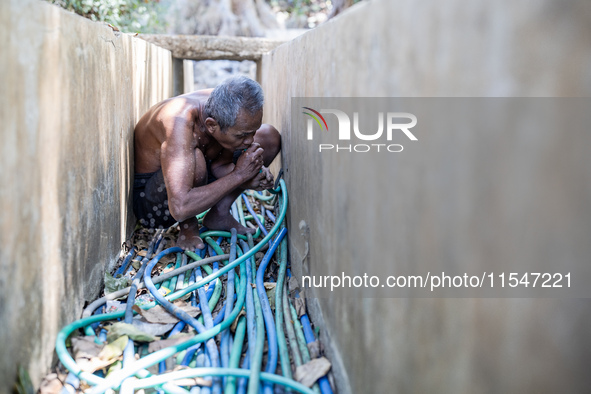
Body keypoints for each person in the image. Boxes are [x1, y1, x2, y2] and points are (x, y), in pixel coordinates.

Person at [133, 76, 281, 250]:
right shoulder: (179, 122)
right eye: (242, 135)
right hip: (154, 204)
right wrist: (239, 175)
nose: (249, 141)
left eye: (251, 132)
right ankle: (188, 228)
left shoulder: (224, 103)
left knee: (268, 137)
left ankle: (219, 213)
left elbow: (219, 166)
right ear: (211, 125)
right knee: (195, 159)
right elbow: (180, 207)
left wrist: (254, 174)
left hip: (196, 174)